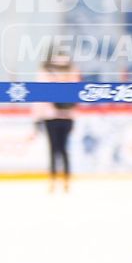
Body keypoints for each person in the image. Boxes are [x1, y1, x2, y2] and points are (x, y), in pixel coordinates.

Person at [33, 49, 79, 193]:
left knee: (55, 149)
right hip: (63, 115)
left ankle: (55, 181)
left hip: (53, 115)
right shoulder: (71, 69)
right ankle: (64, 181)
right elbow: (76, 93)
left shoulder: (45, 71)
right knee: (62, 149)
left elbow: (39, 95)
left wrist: (36, 118)